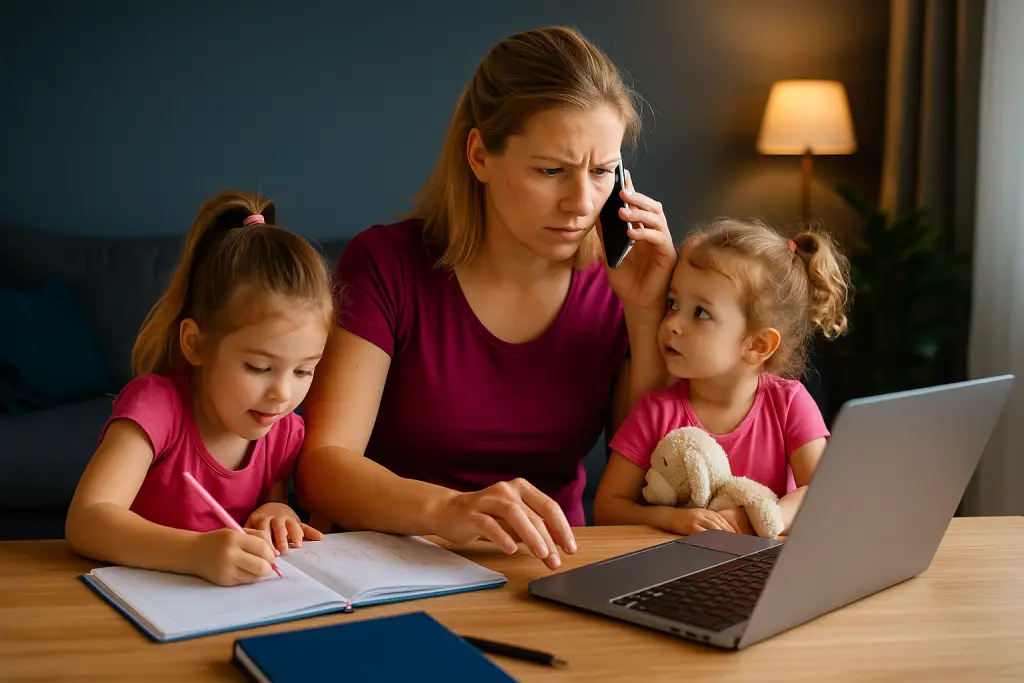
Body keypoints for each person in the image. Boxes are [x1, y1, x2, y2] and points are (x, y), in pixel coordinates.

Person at [296, 26, 677, 570]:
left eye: (601, 172)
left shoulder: (619, 284)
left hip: (555, 566)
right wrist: (448, 509)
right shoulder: (386, 264)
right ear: (480, 155)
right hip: (396, 564)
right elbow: (324, 466)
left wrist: (645, 314)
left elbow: (644, 478)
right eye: (551, 170)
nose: (581, 202)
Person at [65, 191, 331, 586]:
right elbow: (87, 520)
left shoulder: (281, 429)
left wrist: (278, 512)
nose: (282, 393)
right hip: (136, 604)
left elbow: (269, 504)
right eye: (258, 367)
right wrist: (194, 552)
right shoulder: (156, 409)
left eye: (304, 371)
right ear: (195, 344)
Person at [593, 218, 852, 537]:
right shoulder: (657, 411)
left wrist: (760, 519)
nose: (672, 323)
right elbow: (607, 507)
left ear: (758, 345)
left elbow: (824, 492)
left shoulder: (789, 404)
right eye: (673, 303)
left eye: (700, 313)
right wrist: (670, 519)